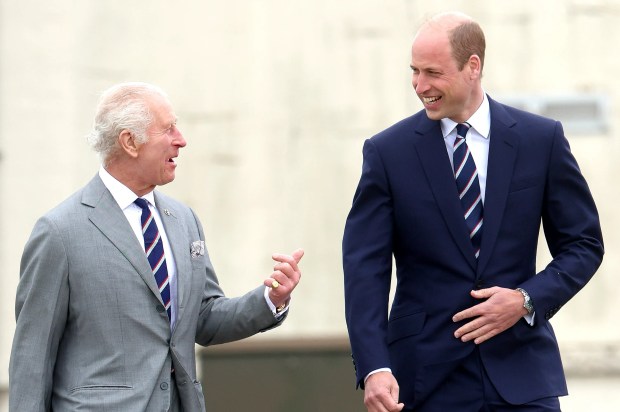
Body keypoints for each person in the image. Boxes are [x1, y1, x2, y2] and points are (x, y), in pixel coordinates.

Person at [343, 11, 603, 412]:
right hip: (425, 378)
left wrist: (526, 299)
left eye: (432, 72)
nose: (419, 85)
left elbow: (584, 244)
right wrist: (375, 366)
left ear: (473, 67)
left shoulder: (540, 140)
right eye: (414, 71)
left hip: (522, 376)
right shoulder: (387, 153)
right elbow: (365, 269)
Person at [9, 82, 304, 412]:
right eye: (168, 129)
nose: (181, 139)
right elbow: (32, 358)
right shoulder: (59, 231)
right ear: (130, 142)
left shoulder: (183, 219)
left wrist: (270, 299)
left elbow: (204, 318)